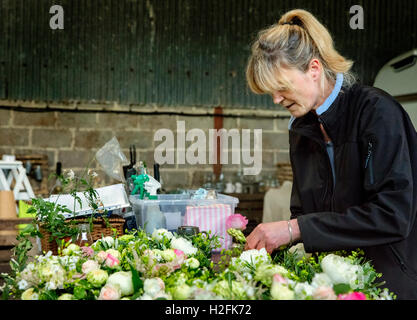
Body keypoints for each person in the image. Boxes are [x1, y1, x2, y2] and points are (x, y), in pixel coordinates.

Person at [244, 9, 417, 299]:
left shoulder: (377, 113)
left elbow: (392, 216)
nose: (275, 99)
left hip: (393, 281)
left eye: (281, 87)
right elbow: (303, 212)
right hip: (334, 282)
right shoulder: (301, 129)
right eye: (270, 91)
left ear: (313, 69)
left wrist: (294, 229)